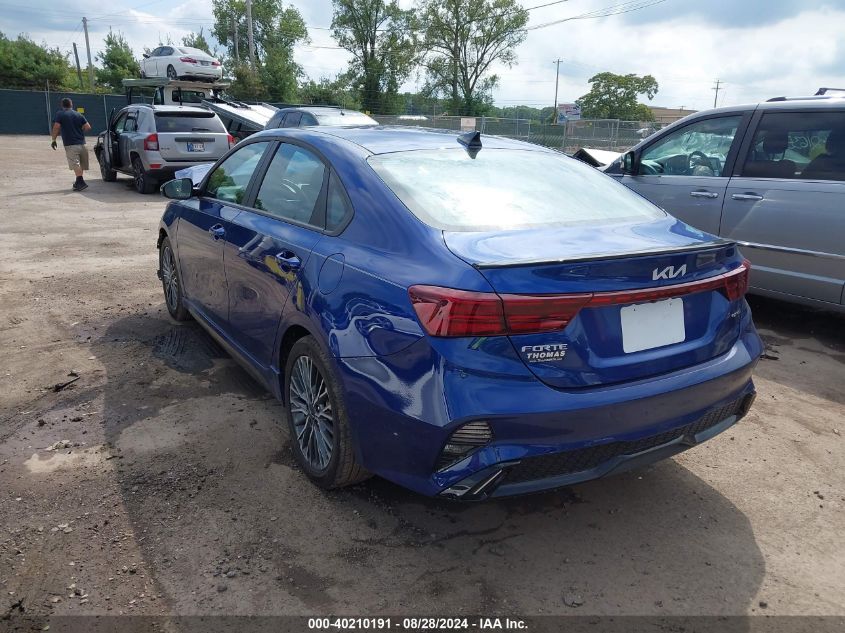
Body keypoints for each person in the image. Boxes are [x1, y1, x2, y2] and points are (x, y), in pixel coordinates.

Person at [51, 98, 92, 191]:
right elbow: (88, 127)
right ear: (71, 105)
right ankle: (78, 183)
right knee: (80, 164)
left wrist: (53, 139)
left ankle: (80, 182)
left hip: (71, 144)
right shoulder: (78, 114)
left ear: (62, 105)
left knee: (75, 164)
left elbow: (56, 127)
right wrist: (79, 131)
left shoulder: (60, 114)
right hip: (82, 144)